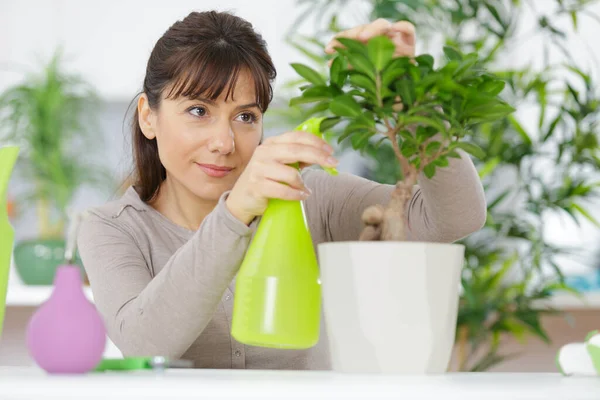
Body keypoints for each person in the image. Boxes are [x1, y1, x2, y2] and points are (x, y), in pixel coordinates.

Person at [77, 10, 487, 370]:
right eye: (198, 111)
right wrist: (235, 211)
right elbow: (144, 342)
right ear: (149, 117)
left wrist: (413, 97)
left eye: (245, 116)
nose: (224, 142)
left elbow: (454, 216)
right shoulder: (111, 229)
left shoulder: (307, 196)